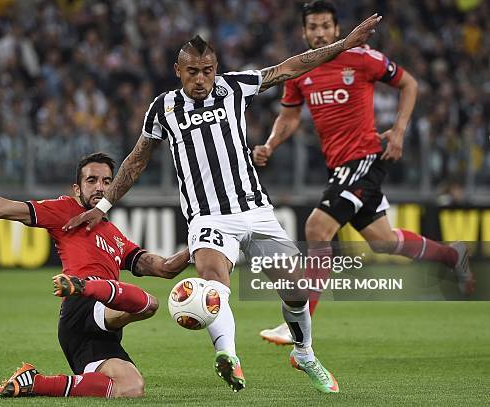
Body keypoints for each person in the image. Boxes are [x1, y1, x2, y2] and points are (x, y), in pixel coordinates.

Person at [61, 14, 383, 394]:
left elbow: (290, 67)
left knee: (297, 289)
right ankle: (228, 356)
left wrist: (342, 45)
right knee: (214, 280)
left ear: (217, 69)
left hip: (256, 211)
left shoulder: (235, 87)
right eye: (193, 71)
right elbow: (136, 160)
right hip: (208, 216)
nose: (201, 79)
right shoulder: (163, 108)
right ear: (178, 71)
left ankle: (304, 353)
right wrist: (102, 208)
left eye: (208, 70)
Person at [253, 1, 474, 345]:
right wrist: (270, 144)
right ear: (304, 31)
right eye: (313, 27)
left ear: (337, 29)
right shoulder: (300, 71)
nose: (319, 32)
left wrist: (399, 130)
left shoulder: (362, 57)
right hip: (339, 166)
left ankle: (299, 323)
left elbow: (410, 84)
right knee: (383, 240)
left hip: (365, 159)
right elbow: (290, 117)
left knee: (316, 227)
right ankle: (451, 254)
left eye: (325, 26)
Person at [0, 152, 190, 399]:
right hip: (81, 308)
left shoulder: (116, 237)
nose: (100, 187)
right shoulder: (64, 210)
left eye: (107, 181)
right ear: (77, 188)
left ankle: (33, 383)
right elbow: (4, 207)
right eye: (92, 180)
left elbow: (165, 268)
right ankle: (84, 286)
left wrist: (201, 243)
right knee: (149, 304)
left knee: (131, 388)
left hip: (96, 331)